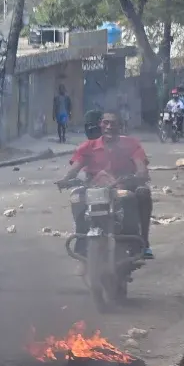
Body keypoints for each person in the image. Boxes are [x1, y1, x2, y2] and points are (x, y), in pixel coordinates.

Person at [58, 112, 154, 261]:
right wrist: (65, 180)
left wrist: (140, 174)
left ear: (120, 126)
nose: (109, 127)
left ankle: (141, 242)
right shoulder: (88, 147)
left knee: (143, 193)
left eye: (113, 123)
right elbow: (74, 169)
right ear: (100, 125)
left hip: (123, 186)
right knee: (76, 198)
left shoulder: (131, 145)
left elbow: (141, 166)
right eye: (106, 123)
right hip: (94, 188)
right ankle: (81, 243)